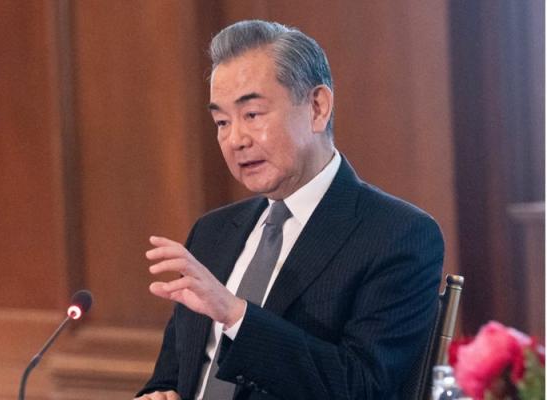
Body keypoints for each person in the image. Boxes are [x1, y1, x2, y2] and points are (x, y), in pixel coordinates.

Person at [135, 20, 443, 400]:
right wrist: (159, 393)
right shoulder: (212, 232)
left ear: (317, 107)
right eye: (221, 122)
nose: (235, 140)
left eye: (252, 115)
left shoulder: (397, 235)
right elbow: (170, 376)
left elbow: (363, 387)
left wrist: (236, 315)